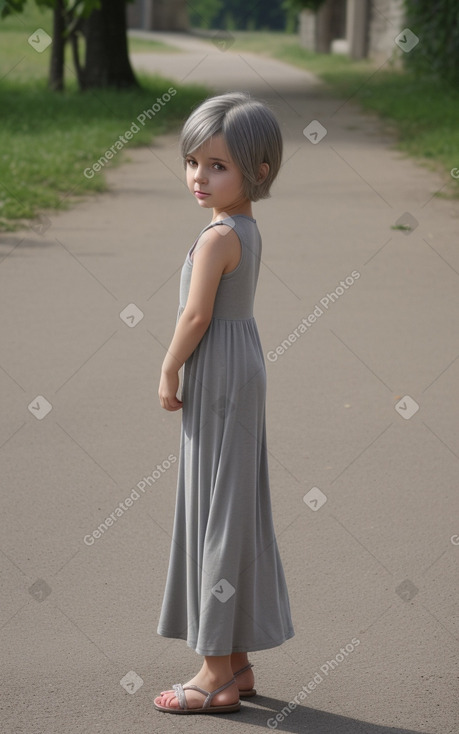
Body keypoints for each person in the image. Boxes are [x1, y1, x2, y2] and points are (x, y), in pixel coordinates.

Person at [154, 91, 294, 715]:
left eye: (218, 166)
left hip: (217, 374)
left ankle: (212, 673)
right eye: (193, 162)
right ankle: (236, 662)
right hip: (241, 366)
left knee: (216, 512)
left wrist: (168, 366)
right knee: (230, 505)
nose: (199, 177)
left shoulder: (217, 239)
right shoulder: (245, 228)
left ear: (258, 172)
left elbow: (196, 313)